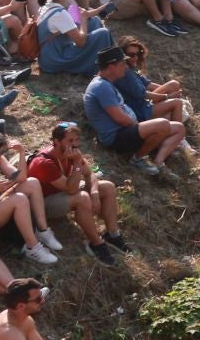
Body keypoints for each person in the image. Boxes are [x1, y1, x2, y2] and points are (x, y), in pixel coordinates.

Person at [25, 122, 129, 264]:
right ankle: (96, 244)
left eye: (76, 140)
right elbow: (71, 189)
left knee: (108, 187)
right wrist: (76, 164)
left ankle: (113, 235)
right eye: (70, 141)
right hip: (43, 205)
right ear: (56, 141)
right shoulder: (44, 163)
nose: (75, 144)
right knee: (81, 198)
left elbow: (90, 174)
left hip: (62, 193)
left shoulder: (70, 153)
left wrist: (94, 192)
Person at [84, 47, 184, 176]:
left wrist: (144, 128)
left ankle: (159, 162)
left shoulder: (106, 83)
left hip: (126, 130)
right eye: (122, 64)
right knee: (162, 124)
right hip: (116, 137)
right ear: (111, 66)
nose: (125, 67)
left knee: (179, 128)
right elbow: (119, 118)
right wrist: (142, 128)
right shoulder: (101, 87)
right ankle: (137, 159)